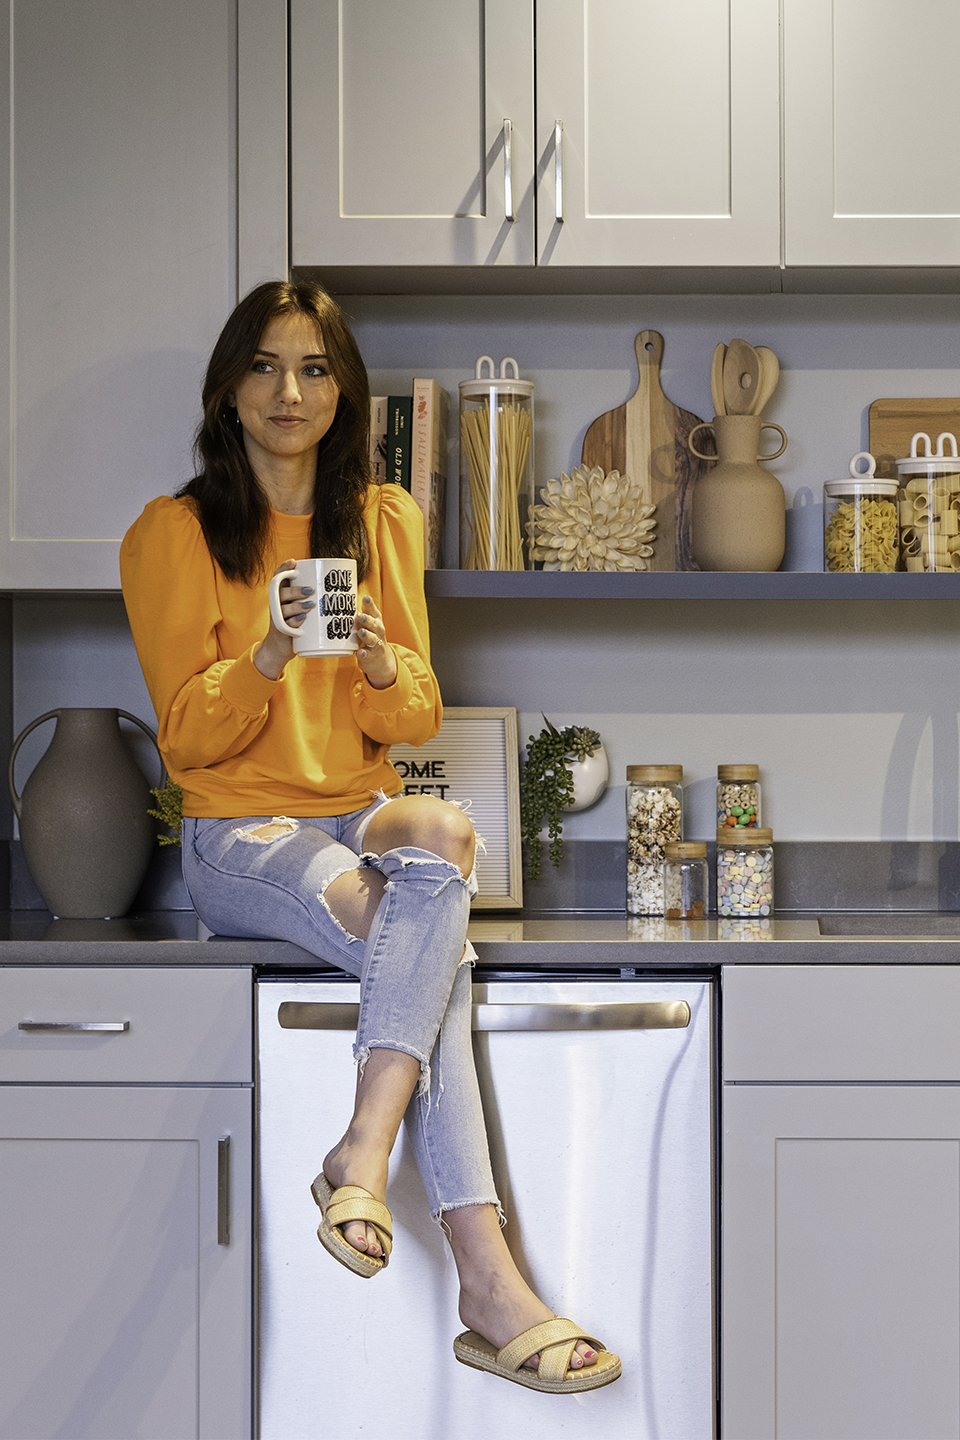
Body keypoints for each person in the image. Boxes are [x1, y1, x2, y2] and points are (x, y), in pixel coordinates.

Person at [120, 278, 621, 1395]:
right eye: (263, 366)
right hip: (240, 832)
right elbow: (188, 741)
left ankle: (362, 1145)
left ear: (344, 393)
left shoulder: (382, 520)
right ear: (228, 390)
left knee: (442, 833)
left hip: (355, 807)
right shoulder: (176, 533)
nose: (288, 391)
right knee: (426, 950)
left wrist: (384, 660)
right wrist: (263, 655)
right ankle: (489, 1280)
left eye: (312, 369)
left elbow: (413, 720)